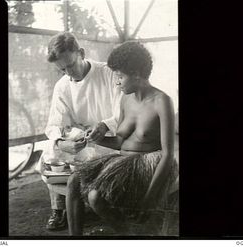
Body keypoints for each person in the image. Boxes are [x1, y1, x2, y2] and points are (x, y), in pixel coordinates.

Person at [66, 41, 178, 235]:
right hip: (122, 162)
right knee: (74, 181)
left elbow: (168, 154)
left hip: (148, 164)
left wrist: (149, 199)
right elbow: (119, 140)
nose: (116, 82)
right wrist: (97, 138)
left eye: (119, 76)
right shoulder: (126, 99)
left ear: (136, 73)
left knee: (95, 197)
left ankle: (127, 235)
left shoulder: (162, 101)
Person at [43, 31, 122, 231]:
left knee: (75, 182)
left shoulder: (108, 73)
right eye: (62, 69)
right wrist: (62, 142)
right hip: (88, 144)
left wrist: (105, 125)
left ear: (81, 53)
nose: (68, 73)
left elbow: (125, 112)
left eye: (70, 65)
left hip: (114, 143)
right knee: (51, 154)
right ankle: (61, 211)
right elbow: (54, 125)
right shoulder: (62, 86)